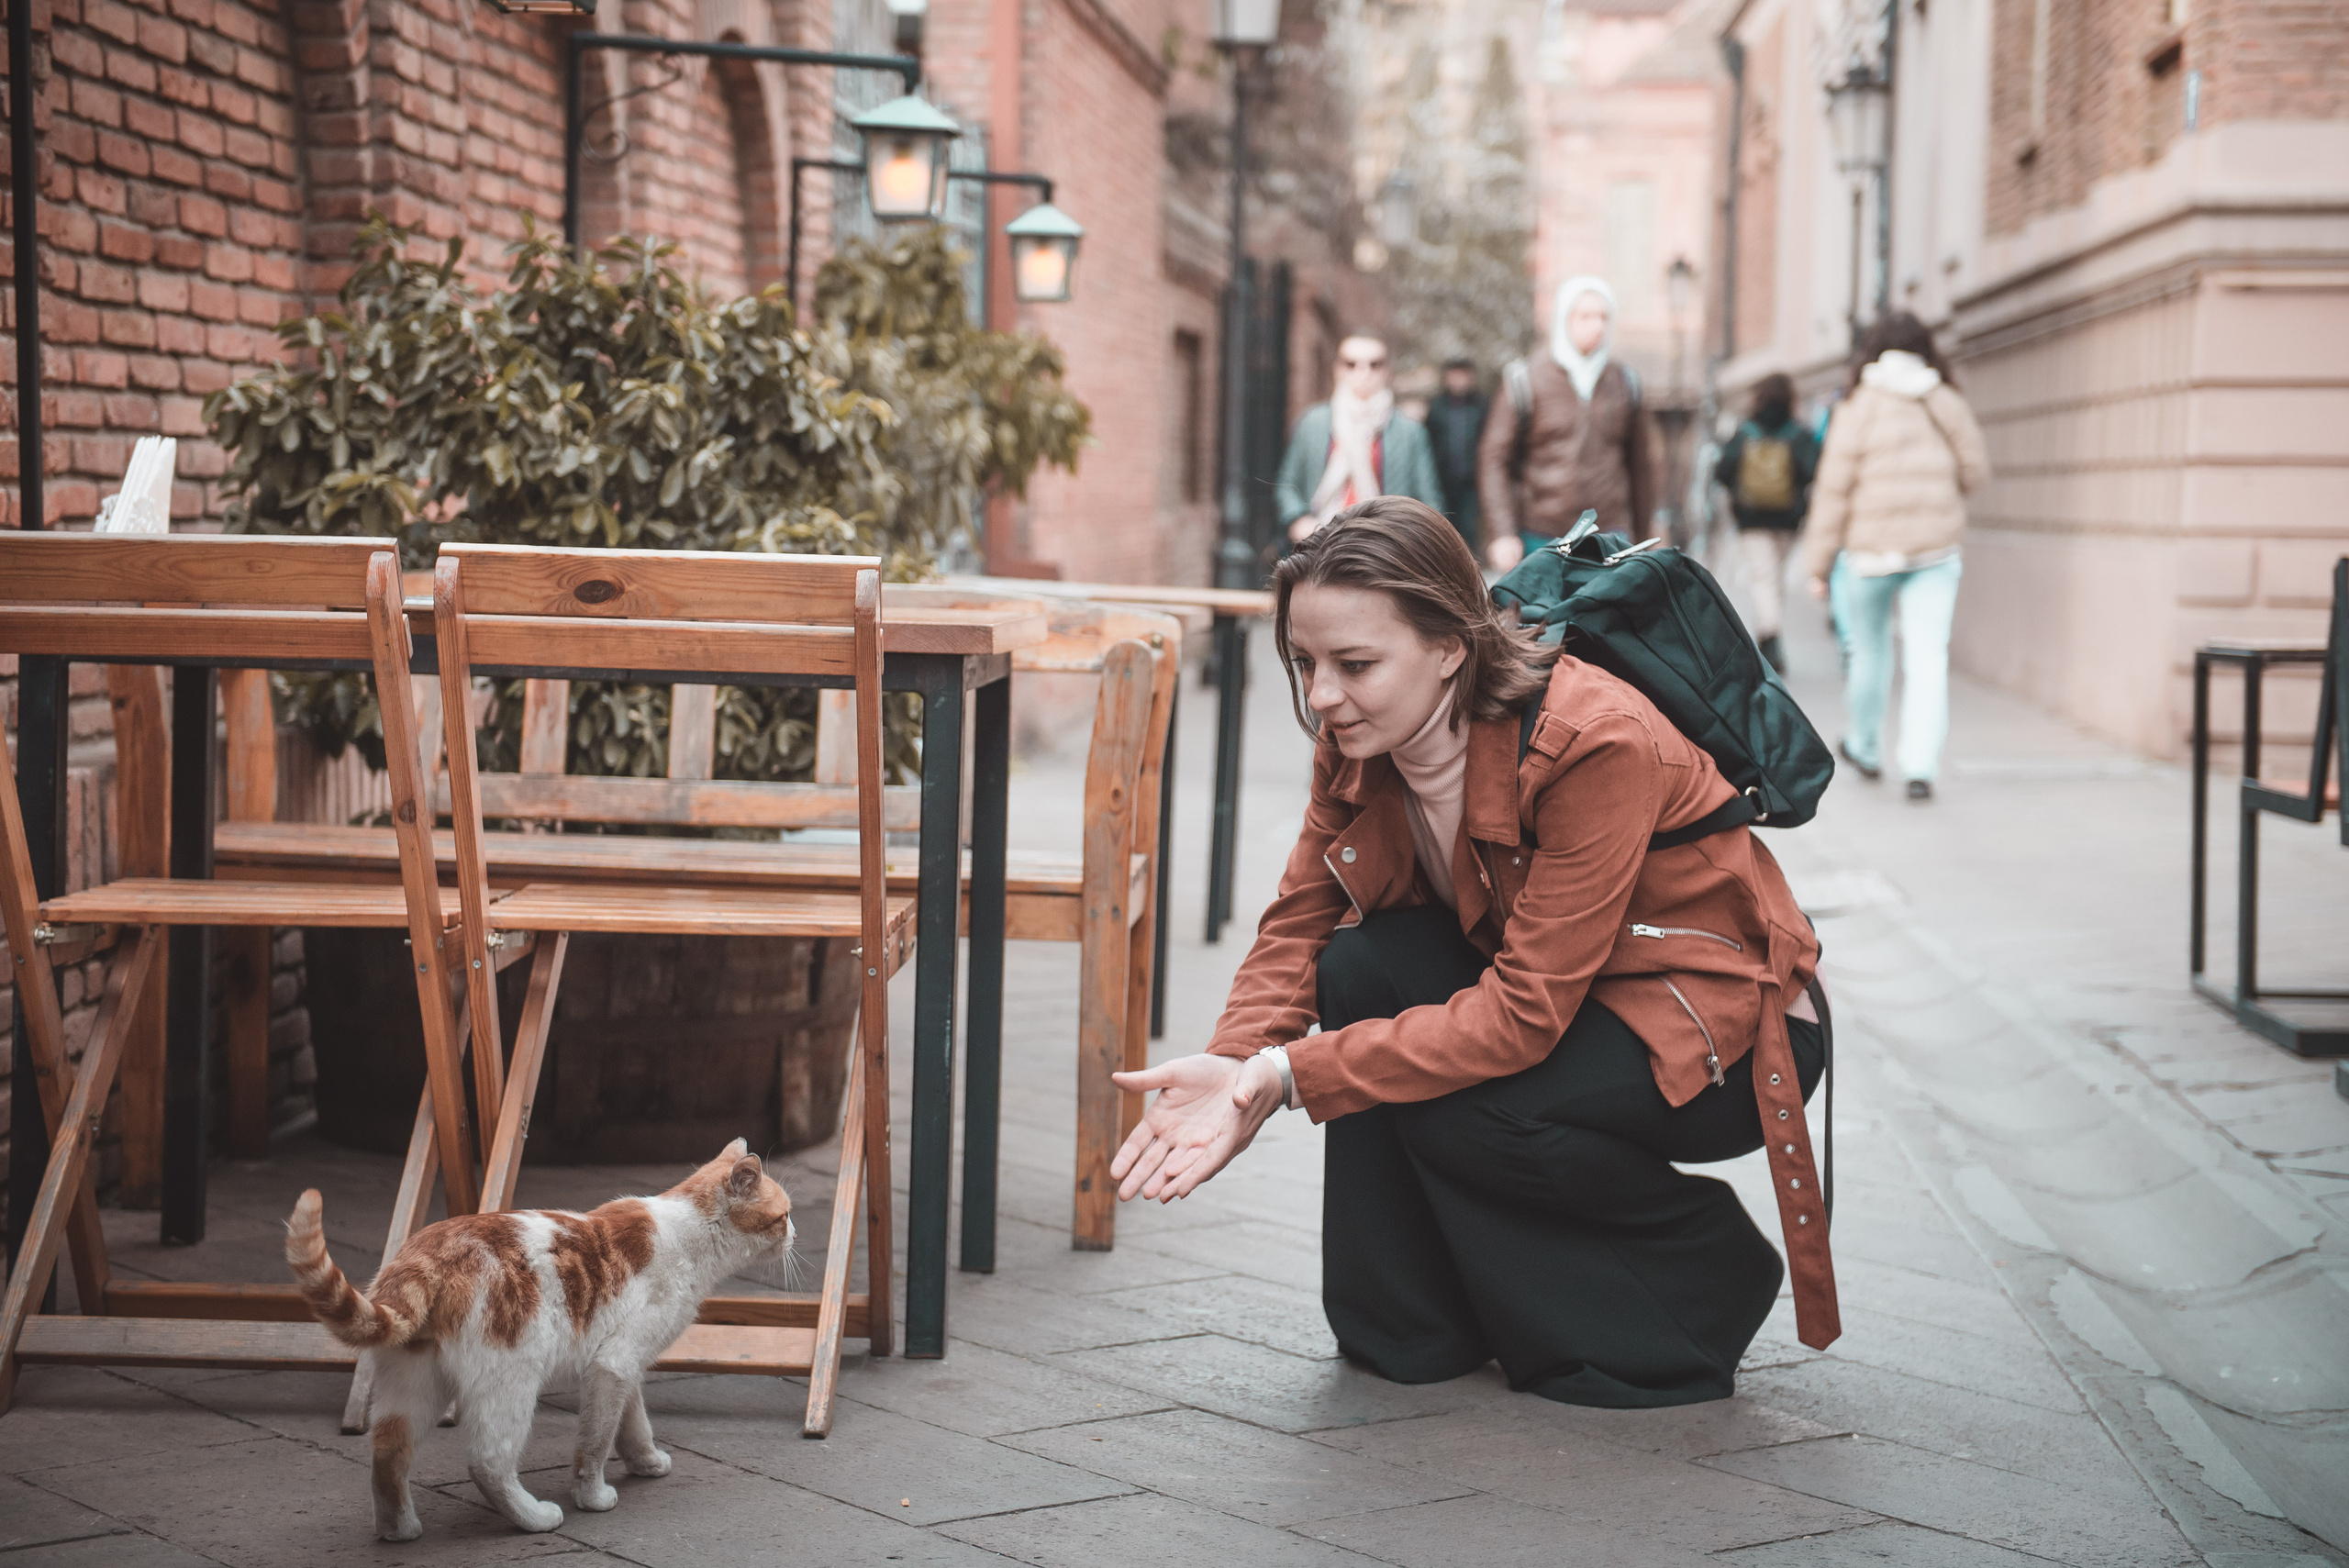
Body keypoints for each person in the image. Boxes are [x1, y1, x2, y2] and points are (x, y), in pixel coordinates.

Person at [1108, 496, 1836, 1408]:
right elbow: (1300, 916)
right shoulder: (1357, 739)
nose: (1323, 694)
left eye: (1355, 663)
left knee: (1470, 1107)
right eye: (1305, 663)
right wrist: (1229, 1060)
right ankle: (1408, 1325)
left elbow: (1523, 1018)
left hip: (1717, 1024)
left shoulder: (1591, 739)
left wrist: (1286, 1072)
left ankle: (1695, 1285)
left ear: (1452, 644)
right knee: (1357, 966)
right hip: (1562, 989)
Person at [1799, 312, 1990, 803]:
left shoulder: (1857, 405)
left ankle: (1865, 745)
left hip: (1871, 552)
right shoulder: (1944, 399)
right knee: (1929, 657)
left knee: (1869, 651)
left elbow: (1833, 491)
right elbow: (1975, 468)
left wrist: (1818, 565)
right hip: (1936, 549)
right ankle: (1919, 766)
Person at [1478, 277, 1656, 570]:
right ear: (1564, 319)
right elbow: (1494, 459)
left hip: (1608, 534)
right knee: (1543, 617)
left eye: (1603, 317)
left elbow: (1641, 466)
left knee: (1607, 617)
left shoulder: (1626, 383)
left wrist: (1644, 537)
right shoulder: (1524, 380)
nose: (1596, 325)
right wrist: (1502, 532)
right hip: (1540, 533)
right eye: (1585, 316)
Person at [1275, 334, 1445, 547]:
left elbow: (1429, 500)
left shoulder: (1409, 431)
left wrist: (1404, 538)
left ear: (1386, 371)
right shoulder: (1313, 423)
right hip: (1318, 542)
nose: (1363, 373)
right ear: (1337, 369)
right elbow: (1287, 483)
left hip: (1382, 548)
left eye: (1374, 365)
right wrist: (1297, 520)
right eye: (1351, 364)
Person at [1713, 373, 1820, 674]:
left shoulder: (1745, 431)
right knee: (1774, 579)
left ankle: (1769, 637)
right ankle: (1768, 636)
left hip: (1752, 520)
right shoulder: (1798, 433)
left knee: (1764, 578)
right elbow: (1811, 470)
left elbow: (1722, 470)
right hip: (1787, 521)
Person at [1424, 358, 1487, 554]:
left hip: (1471, 480)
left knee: (1468, 528)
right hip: (1443, 479)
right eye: (1454, 375)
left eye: (1463, 374)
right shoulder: (1437, 406)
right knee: (1444, 524)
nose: (1458, 380)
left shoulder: (1481, 406)